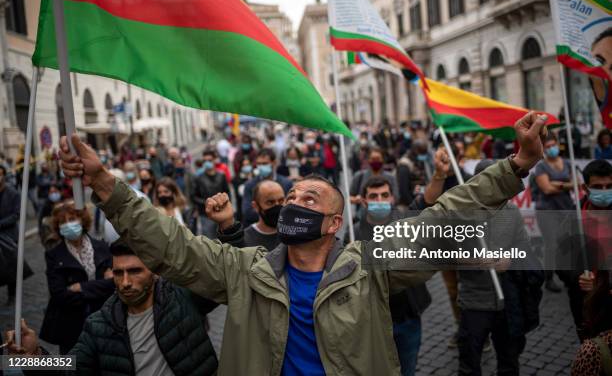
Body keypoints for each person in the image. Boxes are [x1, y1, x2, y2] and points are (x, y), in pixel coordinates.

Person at [51, 111, 547, 375]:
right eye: (291, 194)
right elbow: (172, 245)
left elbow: (444, 216)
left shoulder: (369, 266)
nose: (294, 200)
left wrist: (517, 166)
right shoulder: (243, 270)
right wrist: (106, 184)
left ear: (334, 224)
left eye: (310, 197)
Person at [5, 241, 219, 375]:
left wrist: (228, 228)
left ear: (154, 271)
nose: (125, 282)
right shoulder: (99, 325)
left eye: (135, 271)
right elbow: (69, 369)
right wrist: (33, 356)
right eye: (118, 273)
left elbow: (227, 279)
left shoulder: (181, 298)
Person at [456, 159, 544, 376]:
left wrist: (509, 260)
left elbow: (524, 250)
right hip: (475, 301)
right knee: (469, 364)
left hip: (507, 300)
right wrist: (478, 261)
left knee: (509, 362)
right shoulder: (461, 215)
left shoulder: (511, 212)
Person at [354, 175, 435, 376]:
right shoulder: (354, 233)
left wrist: (440, 176)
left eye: (384, 195)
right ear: (364, 201)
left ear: (392, 198)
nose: (380, 201)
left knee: (407, 369)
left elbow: (427, 201)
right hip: (373, 322)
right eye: (373, 196)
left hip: (407, 317)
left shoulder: (405, 222)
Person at [39, 200, 115, 354]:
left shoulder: (101, 247)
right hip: (71, 326)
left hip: (104, 321)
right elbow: (59, 294)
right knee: (72, 366)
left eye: (72, 219)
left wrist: (81, 287)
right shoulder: (54, 255)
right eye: (63, 222)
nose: (68, 225)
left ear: (83, 220)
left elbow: (114, 284)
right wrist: (99, 287)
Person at [557, 159, 612, 341]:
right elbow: (560, 259)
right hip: (585, 302)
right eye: (597, 187)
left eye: (609, 186)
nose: (604, 192)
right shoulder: (574, 217)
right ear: (585, 188)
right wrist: (578, 276)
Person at [534, 132, 575, 292]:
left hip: (565, 208)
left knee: (567, 244)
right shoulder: (541, 166)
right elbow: (546, 188)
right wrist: (565, 185)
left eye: (553, 145)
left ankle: (567, 275)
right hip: (547, 211)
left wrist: (559, 185)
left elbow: (575, 184)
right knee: (551, 245)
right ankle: (549, 278)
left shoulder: (566, 162)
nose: (552, 149)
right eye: (548, 147)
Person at [241, 148, 293, 226]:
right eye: (259, 164)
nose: (261, 167)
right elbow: (247, 212)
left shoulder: (286, 183)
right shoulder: (250, 185)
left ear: (274, 162)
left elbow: (290, 209)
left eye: (264, 163)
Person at [192, 149, 230, 238]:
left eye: (209, 160)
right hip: (206, 215)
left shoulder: (221, 176)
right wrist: (207, 203)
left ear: (214, 160)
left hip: (221, 213)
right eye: (205, 161)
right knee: (209, 240)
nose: (207, 163)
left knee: (225, 239)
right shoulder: (198, 178)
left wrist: (223, 204)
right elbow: (193, 196)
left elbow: (227, 193)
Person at [242, 179, 285, 250]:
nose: (277, 206)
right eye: (270, 202)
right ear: (255, 206)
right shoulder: (245, 240)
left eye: (281, 201)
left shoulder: (292, 233)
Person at [0, 164, 19, 299]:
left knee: (12, 264)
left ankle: (12, 293)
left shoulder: (13, 192)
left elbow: (16, 214)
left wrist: (1, 224)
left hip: (10, 234)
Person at [38, 183, 63, 250]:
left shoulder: (66, 204)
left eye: (55, 192)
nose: (53, 194)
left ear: (60, 192)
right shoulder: (46, 207)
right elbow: (41, 223)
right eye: (51, 192)